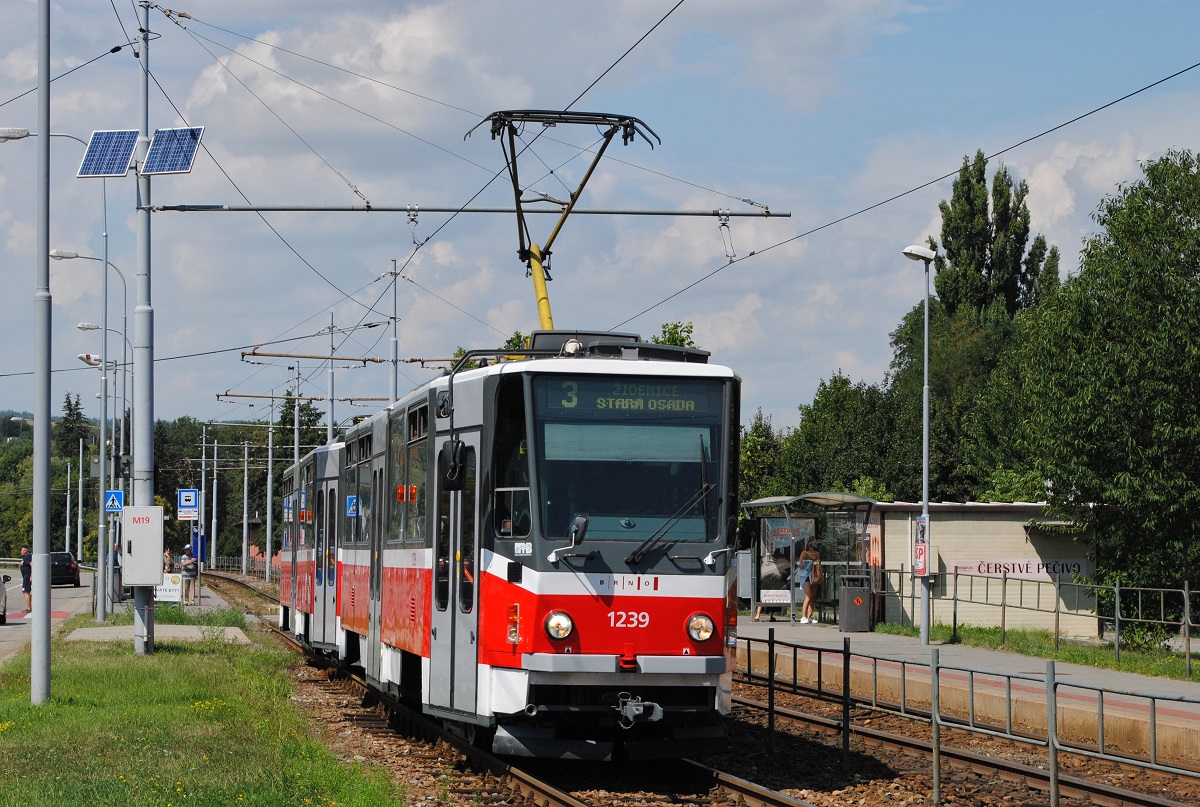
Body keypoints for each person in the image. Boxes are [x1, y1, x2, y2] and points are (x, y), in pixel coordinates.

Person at [796, 539, 822, 623]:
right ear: (808, 545)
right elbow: (799, 563)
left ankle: (810, 616)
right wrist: (802, 565)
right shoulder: (804, 553)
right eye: (811, 545)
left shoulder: (816, 554)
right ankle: (803, 616)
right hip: (805, 576)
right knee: (809, 595)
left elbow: (819, 563)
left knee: (812, 597)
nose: (812, 547)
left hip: (813, 575)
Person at [19, 545, 31, 615]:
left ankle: (29, 608)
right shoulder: (26, 557)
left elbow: (32, 564)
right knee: (26, 592)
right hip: (26, 576)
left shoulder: (27, 556)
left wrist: (31, 575)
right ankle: (30, 607)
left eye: (21, 550)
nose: (20, 551)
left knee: (26, 591)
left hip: (27, 576)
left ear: (25, 551)